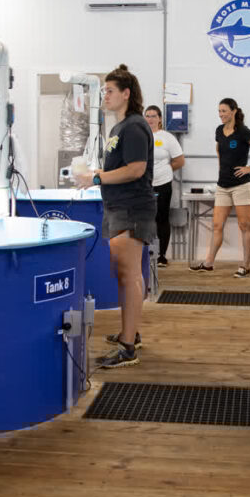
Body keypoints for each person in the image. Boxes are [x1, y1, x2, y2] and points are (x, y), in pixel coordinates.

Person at [75, 65, 156, 369]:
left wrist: (98, 178)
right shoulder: (118, 128)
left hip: (131, 208)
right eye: (104, 90)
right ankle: (129, 333)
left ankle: (127, 347)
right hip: (119, 206)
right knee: (125, 274)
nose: (105, 96)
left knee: (130, 274)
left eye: (110, 90)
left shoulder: (134, 126)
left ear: (126, 94)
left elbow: (136, 169)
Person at [190, 98, 250, 277]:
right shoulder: (219, 131)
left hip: (242, 185)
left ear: (233, 111)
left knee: (244, 225)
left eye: (224, 111)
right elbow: (219, 151)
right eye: (219, 111)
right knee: (217, 224)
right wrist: (221, 170)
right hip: (223, 186)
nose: (221, 114)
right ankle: (209, 262)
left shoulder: (242, 131)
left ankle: (245, 265)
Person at [144, 105, 185, 267]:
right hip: (144, 185)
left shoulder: (167, 137)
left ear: (160, 118)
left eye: (154, 116)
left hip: (163, 183)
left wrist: (166, 169)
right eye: (147, 116)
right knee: (144, 219)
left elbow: (180, 160)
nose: (150, 119)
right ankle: (145, 253)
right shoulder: (140, 136)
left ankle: (161, 256)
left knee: (161, 218)